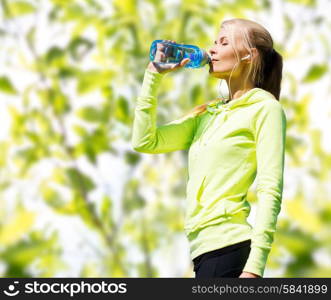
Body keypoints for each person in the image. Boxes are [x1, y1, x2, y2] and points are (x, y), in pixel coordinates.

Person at [131, 18, 286, 278]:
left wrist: (255, 267)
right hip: (203, 252)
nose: (212, 49)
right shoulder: (208, 113)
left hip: (231, 249)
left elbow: (270, 188)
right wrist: (153, 76)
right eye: (214, 42)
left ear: (249, 55)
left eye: (224, 42)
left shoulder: (265, 109)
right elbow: (145, 141)